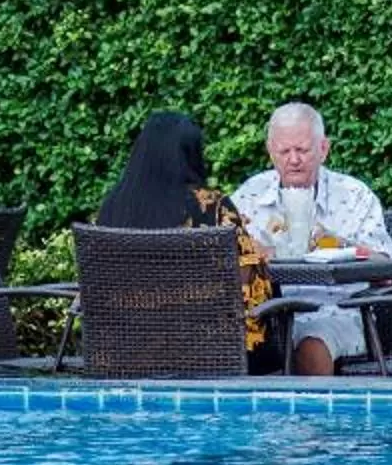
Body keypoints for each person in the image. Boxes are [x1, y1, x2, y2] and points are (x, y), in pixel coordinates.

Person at [96, 111, 283, 374]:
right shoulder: (212, 207)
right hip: (207, 355)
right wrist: (261, 258)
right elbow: (249, 288)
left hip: (123, 355)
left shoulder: (111, 208)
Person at [230, 101, 392, 376]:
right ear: (271, 152)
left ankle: (314, 421)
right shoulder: (250, 196)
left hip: (336, 310)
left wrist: (340, 244)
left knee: (311, 342)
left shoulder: (354, 196)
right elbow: (222, 259)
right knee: (220, 337)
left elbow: (387, 268)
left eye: (302, 150)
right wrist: (252, 253)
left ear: (323, 149)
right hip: (267, 314)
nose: (293, 159)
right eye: (284, 151)